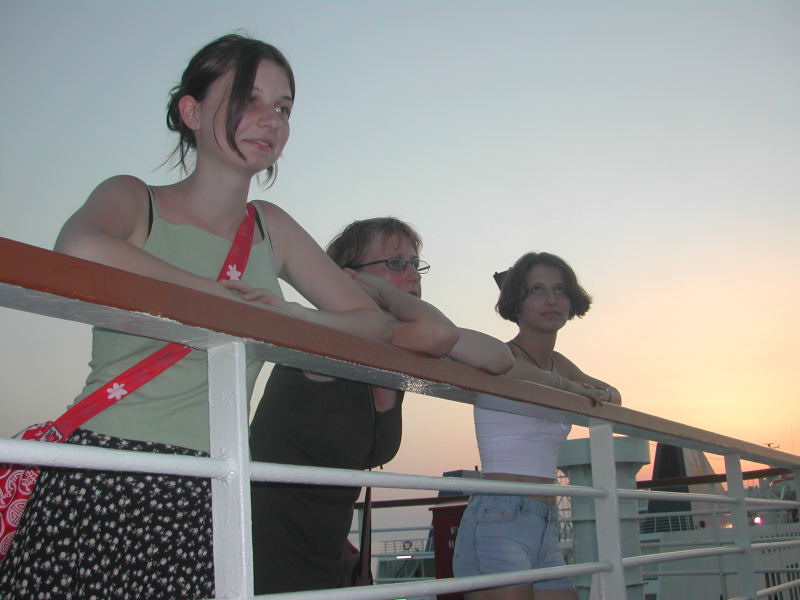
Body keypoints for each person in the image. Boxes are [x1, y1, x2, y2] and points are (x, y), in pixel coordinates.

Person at [0, 35, 456, 600]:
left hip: (213, 480)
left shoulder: (269, 227)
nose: (271, 120)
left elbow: (372, 323)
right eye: (249, 99)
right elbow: (79, 248)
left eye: (283, 107)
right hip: (105, 466)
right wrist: (226, 304)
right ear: (191, 111)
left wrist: (284, 315)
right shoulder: (135, 198)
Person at [250, 217, 514, 594]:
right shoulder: (325, 336)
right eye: (394, 263)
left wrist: (383, 291)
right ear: (345, 275)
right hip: (263, 563)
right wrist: (376, 292)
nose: (413, 274)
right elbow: (440, 332)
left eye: (415, 264)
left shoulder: (399, 346)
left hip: (323, 564)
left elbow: (498, 357)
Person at [452, 252, 621, 600]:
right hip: (498, 517)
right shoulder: (499, 357)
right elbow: (504, 367)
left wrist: (589, 390)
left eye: (560, 290)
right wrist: (568, 388)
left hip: (545, 522)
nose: (551, 300)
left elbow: (614, 397)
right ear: (517, 301)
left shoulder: (559, 364)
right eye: (537, 290)